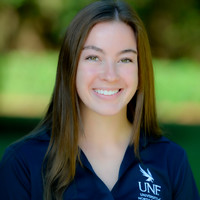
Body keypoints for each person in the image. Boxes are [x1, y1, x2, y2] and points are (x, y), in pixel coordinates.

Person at [0, 0, 199, 199]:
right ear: (70, 67)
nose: (110, 75)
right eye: (93, 57)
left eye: (125, 59)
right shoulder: (22, 163)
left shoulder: (171, 160)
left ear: (141, 70)